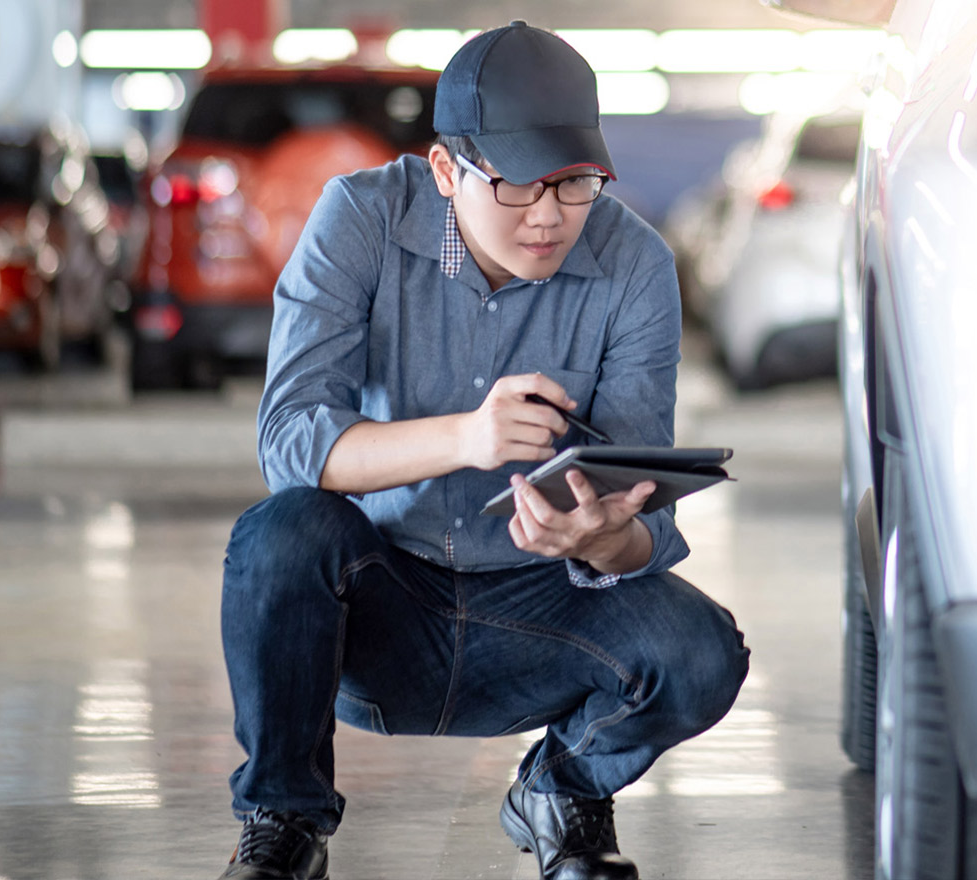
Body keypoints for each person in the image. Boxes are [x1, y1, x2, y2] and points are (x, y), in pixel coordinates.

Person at [217, 22, 750, 880]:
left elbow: (645, 518)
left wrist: (597, 540)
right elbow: (288, 442)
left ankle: (562, 791)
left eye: (574, 183)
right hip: (379, 604)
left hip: (541, 610)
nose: (547, 216)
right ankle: (284, 822)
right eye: (514, 185)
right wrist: (467, 437)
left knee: (700, 651)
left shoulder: (635, 264)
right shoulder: (359, 219)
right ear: (444, 169)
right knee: (283, 532)